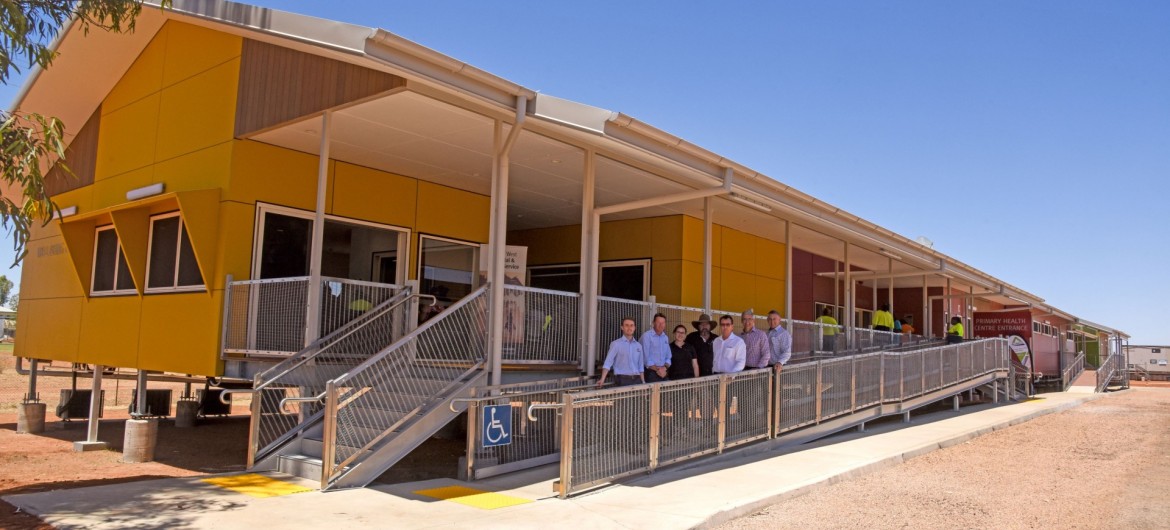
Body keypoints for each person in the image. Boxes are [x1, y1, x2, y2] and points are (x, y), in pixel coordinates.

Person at [598, 317, 645, 387]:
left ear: (634, 328)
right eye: (626, 325)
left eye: (631, 325)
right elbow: (608, 363)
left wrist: (643, 382)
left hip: (637, 379)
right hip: (622, 379)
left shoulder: (639, 346)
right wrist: (602, 379)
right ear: (622, 327)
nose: (629, 328)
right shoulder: (616, 344)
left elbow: (640, 366)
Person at [641, 313, 671, 382]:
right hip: (651, 372)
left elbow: (668, 356)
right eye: (658, 322)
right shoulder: (646, 336)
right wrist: (658, 370)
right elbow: (646, 358)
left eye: (663, 323)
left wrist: (664, 368)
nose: (661, 325)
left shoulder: (665, 337)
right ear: (653, 323)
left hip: (664, 372)